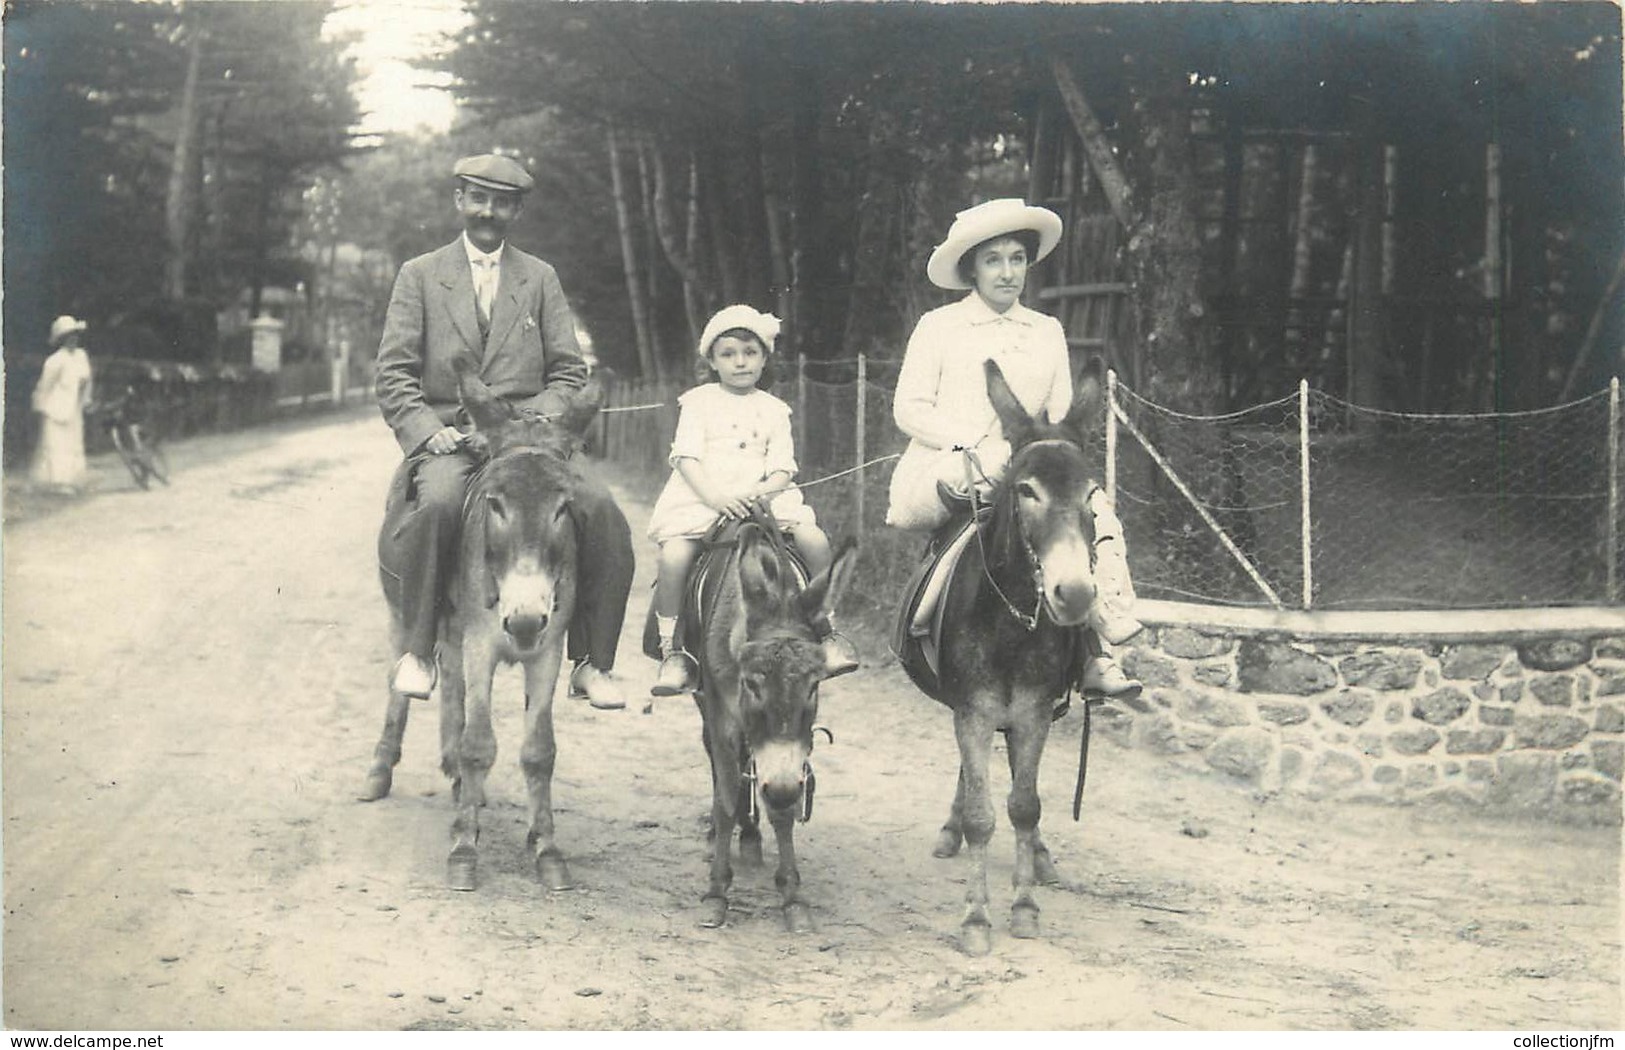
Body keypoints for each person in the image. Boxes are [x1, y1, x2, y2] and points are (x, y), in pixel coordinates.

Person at [375, 153, 635, 710]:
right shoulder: (419, 275)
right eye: (478, 198)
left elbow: (569, 370)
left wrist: (531, 423)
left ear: (516, 209)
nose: (487, 212)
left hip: (531, 442)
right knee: (439, 504)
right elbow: (394, 373)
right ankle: (419, 650)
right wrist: (427, 432)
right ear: (459, 201)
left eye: (501, 202)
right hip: (454, 438)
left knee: (601, 510)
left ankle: (593, 661)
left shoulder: (541, 279)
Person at [885, 198, 1142, 698]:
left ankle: (1101, 641)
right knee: (992, 504)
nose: (1007, 272)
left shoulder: (1046, 330)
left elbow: (1062, 414)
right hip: (947, 462)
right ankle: (923, 622)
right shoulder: (939, 328)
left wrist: (1058, 462)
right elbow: (909, 409)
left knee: (1094, 512)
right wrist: (971, 442)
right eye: (993, 260)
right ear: (972, 269)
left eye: (1017, 259)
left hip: (1027, 463)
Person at [646, 304, 860, 696]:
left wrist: (763, 492)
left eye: (750, 353)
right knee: (674, 556)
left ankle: (827, 629)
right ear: (712, 360)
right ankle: (673, 650)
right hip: (704, 497)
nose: (740, 362)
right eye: (728, 354)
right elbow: (686, 458)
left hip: (764, 498)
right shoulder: (698, 402)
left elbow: (783, 467)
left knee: (814, 539)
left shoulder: (775, 410)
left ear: (764, 358)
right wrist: (717, 497)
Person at [31, 315, 94, 495]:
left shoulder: (81, 356)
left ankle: (73, 480)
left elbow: (88, 380)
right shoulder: (55, 360)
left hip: (74, 407)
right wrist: (40, 406)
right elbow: (45, 385)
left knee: (74, 443)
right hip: (55, 409)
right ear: (61, 339)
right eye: (68, 336)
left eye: (74, 334)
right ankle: (58, 483)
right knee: (57, 445)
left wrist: (87, 399)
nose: (72, 339)